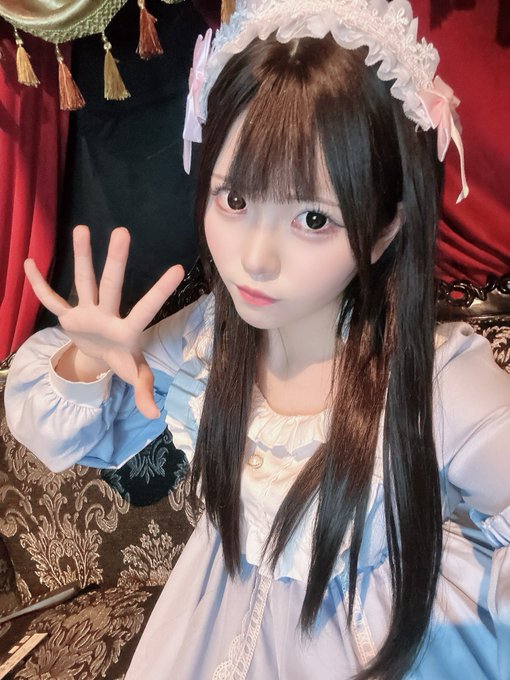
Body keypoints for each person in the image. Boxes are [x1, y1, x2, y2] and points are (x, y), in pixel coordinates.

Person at [5, 1, 510, 678]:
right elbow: (67, 430)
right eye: (235, 200)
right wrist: (88, 358)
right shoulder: (211, 335)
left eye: (312, 218)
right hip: (205, 626)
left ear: (385, 228)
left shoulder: (437, 379)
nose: (255, 259)